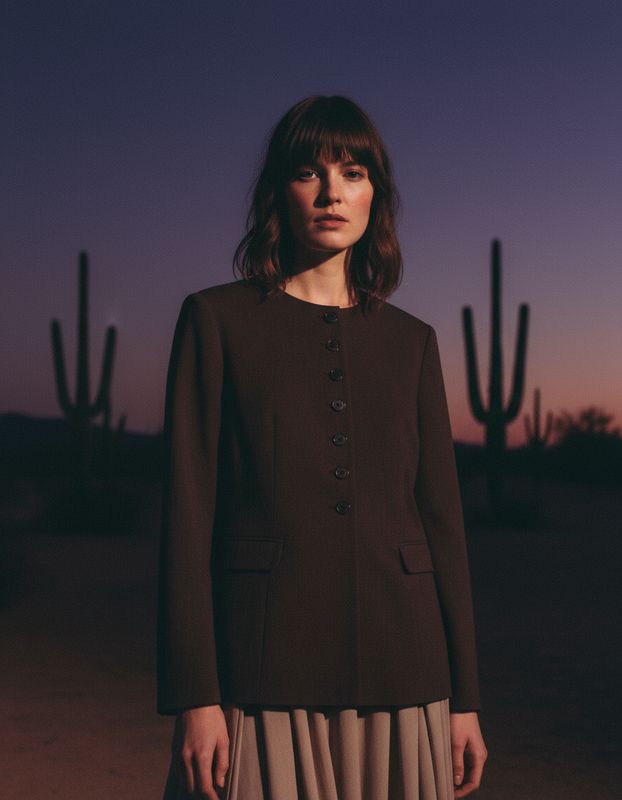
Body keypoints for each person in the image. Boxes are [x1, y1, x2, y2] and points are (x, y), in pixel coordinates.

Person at [157, 95, 488, 800]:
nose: (334, 192)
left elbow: (443, 526)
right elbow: (188, 520)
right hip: (262, 664)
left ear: (376, 195)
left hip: (408, 670)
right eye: (311, 171)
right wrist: (195, 694)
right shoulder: (216, 321)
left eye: (355, 172)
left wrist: (464, 697)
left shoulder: (413, 342)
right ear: (281, 189)